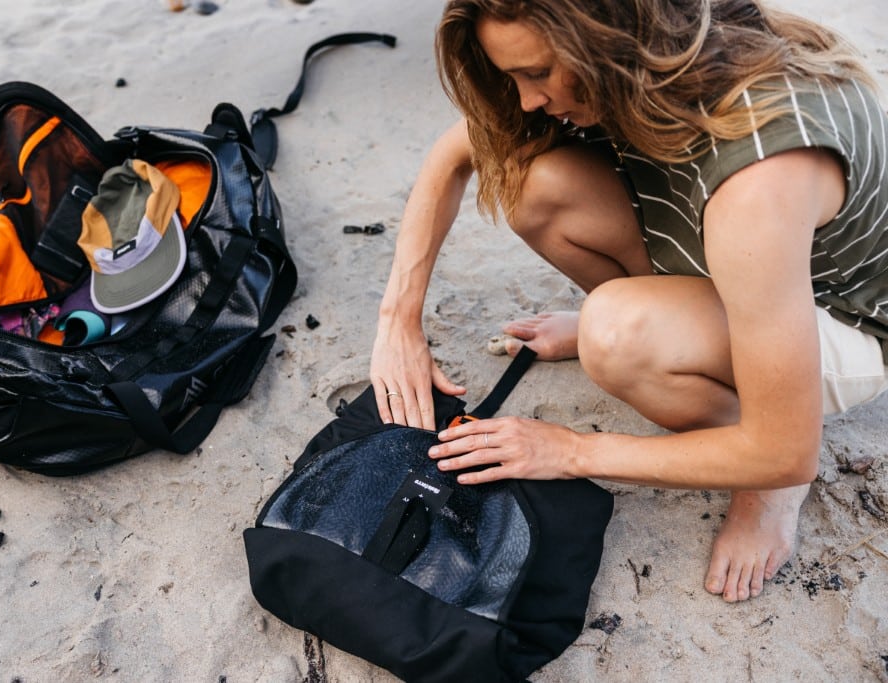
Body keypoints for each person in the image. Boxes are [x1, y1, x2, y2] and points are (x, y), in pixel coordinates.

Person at [370, 0, 888, 603]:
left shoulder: (760, 180)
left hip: (842, 320)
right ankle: (668, 327)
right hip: (750, 270)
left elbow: (786, 451)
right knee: (535, 186)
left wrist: (567, 451)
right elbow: (455, 153)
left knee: (618, 336)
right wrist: (398, 324)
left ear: (607, 42)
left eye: (536, 74)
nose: (528, 99)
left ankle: (762, 480)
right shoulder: (659, 63)